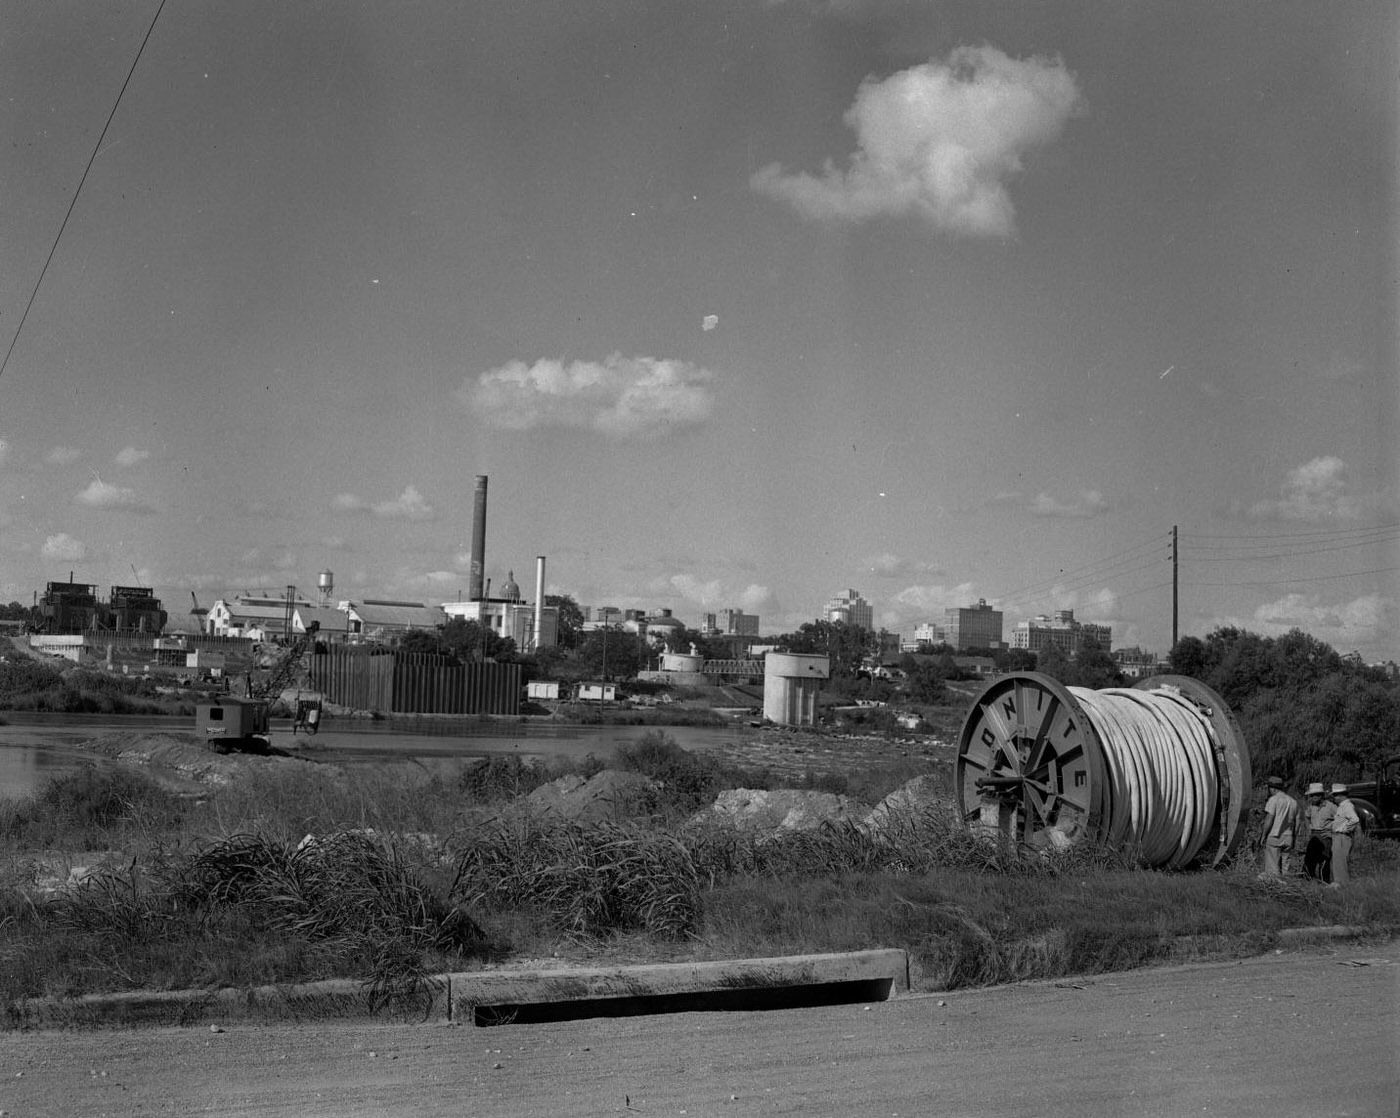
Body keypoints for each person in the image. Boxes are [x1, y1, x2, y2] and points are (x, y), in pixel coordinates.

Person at [1258, 775, 1299, 877]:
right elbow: (1297, 823)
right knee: (1285, 869)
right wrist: (1294, 837)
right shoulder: (1293, 802)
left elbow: (1269, 819)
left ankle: (1274, 889)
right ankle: (1288, 886)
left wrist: (1263, 835)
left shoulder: (1273, 800)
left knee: (1272, 869)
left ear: (1272, 788)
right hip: (1288, 837)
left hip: (1274, 836)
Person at [1301, 782, 1334, 882]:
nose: (1314, 797)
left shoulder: (1331, 806)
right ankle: (1308, 880)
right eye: (1312, 795)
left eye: (1316, 794)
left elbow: (1340, 819)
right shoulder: (1311, 806)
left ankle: (1324, 882)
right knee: (1309, 859)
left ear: (1322, 795)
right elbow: (1306, 817)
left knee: (1324, 859)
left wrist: (1332, 833)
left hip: (1325, 836)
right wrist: (1308, 830)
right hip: (1314, 834)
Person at [1329, 782, 1361, 887]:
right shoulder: (1342, 806)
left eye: (1335, 795)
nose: (1334, 797)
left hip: (1342, 837)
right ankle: (1339, 882)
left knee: (1341, 861)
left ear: (1341, 795)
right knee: (1337, 861)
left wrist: (1344, 829)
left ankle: (1342, 884)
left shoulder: (1347, 805)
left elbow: (1355, 819)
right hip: (1338, 837)